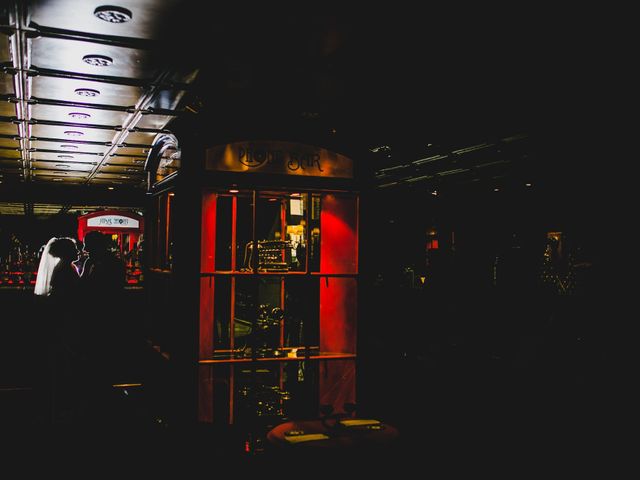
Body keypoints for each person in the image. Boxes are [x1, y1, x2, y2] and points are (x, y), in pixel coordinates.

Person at [34, 236, 81, 424]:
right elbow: (69, 296)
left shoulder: (61, 267)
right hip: (67, 318)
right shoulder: (66, 269)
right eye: (74, 248)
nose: (77, 251)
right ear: (67, 252)